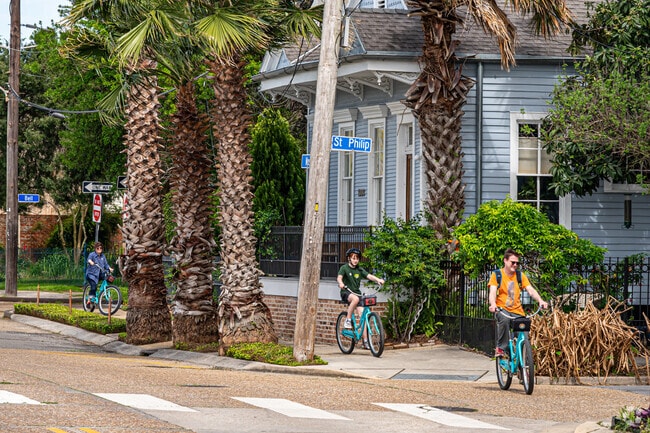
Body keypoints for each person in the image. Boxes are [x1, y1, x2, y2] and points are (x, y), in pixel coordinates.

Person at [488, 248, 548, 358]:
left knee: (523, 331)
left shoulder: (520, 276)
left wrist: (540, 301)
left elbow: (530, 290)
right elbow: (492, 292)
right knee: (504, 321)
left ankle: (522, 360)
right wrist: (493, 304)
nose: (515, 265)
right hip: (502, 309)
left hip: (517, 311)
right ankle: (501, 348)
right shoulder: (497, 275)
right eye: (512, 262)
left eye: (517, 263)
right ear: (505, 261)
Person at [337, 247, 384, 349]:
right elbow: (339, 277)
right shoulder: (344, 268)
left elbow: (369, 276)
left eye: (357, 258)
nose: (355, 260)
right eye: (353, 258)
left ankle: (366, 342)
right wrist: (341, 283)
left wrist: (378, 280)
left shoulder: (359, 269)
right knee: (356, 299)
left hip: (356, 293)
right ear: (349, 258)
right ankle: (348, 320)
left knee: (364, 317)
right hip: (346, 292)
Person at [85, 242, 114, 306]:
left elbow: (106, 264)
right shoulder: (92, 254)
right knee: (94, 286)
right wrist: (91, 262)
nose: (99, 249)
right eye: (97, 248)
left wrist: (109, 268)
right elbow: (88, 259)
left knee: (108, 277)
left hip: (99, 274)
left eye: (101, 248)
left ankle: (105, 291)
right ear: (95, 248)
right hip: (91, 274)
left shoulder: (103, 256)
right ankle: (89, 300)